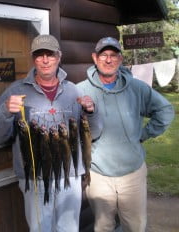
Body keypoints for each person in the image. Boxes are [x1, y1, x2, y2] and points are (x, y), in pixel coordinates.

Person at [0, 34, 101, 232]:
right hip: (34, 177)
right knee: (41, 229)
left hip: (69, 173)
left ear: (59, 57)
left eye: (51, 54)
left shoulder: (74, 91)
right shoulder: (15, 91)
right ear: (33, 59)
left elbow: (95, 132)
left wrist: (91, 112)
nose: (45, 60)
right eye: (40, 55)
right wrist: (6, 111)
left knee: (68, 228)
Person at [77, 37, 175, 232]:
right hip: (98, 175)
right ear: (95, 58)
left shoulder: (137, 88)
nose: (108, 59)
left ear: (120, 59)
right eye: (103, 55)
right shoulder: (80, 90)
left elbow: (165, 110)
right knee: (103, 226)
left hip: (133, 174)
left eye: (113, 55)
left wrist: (144, 133)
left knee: (135, 226)